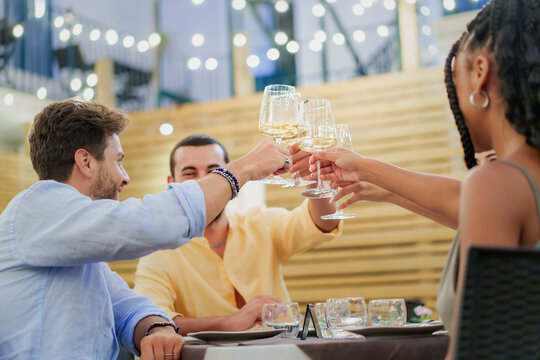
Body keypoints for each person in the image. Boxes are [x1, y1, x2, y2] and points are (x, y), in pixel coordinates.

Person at [311, 0, 540, 349]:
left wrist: (369, 170)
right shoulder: (518, 182)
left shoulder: (499, 182)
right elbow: (466, 207)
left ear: (480, 73)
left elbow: (478, 349)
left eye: (454, 79)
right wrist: (380, 184)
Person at [0, 100, 290, 360]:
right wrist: (245, 168)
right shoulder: (38, 210)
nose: (125, 177)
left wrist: (157, 326)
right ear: (86, 162)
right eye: (119, 161)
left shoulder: (68, 234)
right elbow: (148, 223)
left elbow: (122, 304)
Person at [133, 134, 342, 335]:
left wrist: (315, 178)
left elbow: (323, 222)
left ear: (229, 175)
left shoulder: (260, 223)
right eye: (190, 173)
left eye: (214, 171)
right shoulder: (158, 252)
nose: (203, 182)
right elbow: (153, 320)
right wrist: (231, 322)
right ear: (172, 183)